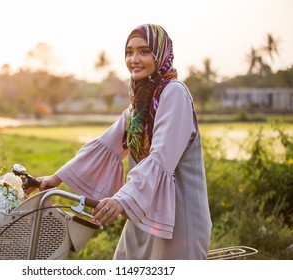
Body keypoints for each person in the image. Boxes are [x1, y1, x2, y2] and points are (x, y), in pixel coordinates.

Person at [39, 23, 212, 260]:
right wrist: (55, 179)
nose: (134, 59)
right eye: (129, 52)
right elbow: (107, 145)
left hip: (178, 215)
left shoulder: (174, 93)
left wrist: (121, 199)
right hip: (143, 206)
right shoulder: (141, 101)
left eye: (144, 51)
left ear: (160, 54)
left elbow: (160, 158)